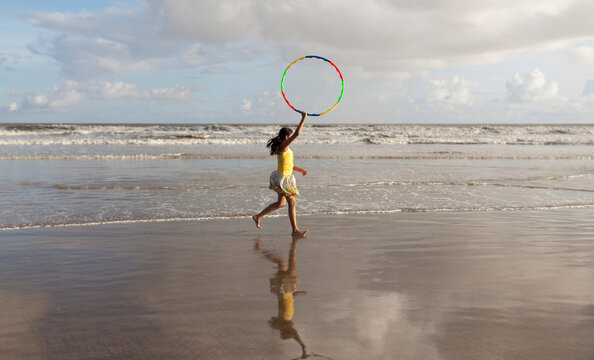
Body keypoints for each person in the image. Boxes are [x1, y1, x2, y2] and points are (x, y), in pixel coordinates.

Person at [253, 111, 308, 236]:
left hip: (282, 176)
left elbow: (289, 164)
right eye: (290, 136)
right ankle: (295, 230)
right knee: (292, 203)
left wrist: (301, 170)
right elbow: (298, 133)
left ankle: (258, 216)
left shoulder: (284, 148)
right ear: (287, 137)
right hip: (284, 178)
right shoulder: (284, 146)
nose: (291, 138)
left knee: (281, 204)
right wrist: (304, 117)